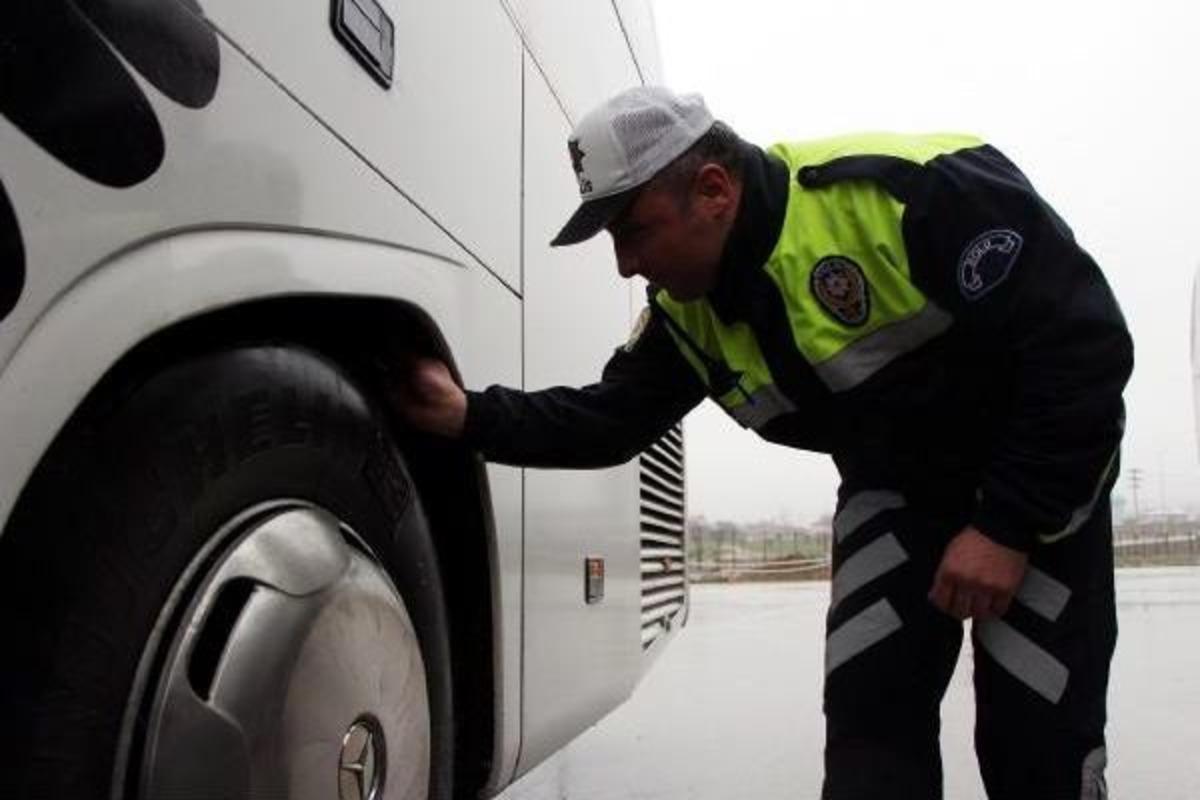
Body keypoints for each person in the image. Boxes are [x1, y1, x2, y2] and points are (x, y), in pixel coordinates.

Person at [396, 86, 1132, 800]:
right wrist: (466, 415)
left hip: (1040, 485)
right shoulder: (689, 315)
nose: (625, 264)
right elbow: (607, 419)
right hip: (898, 491)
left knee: (1037, 746)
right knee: (869, 734)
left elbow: (1082, 350)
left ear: (713, 189)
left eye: (633, 229)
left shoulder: (914, 192)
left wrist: (1004, 527)